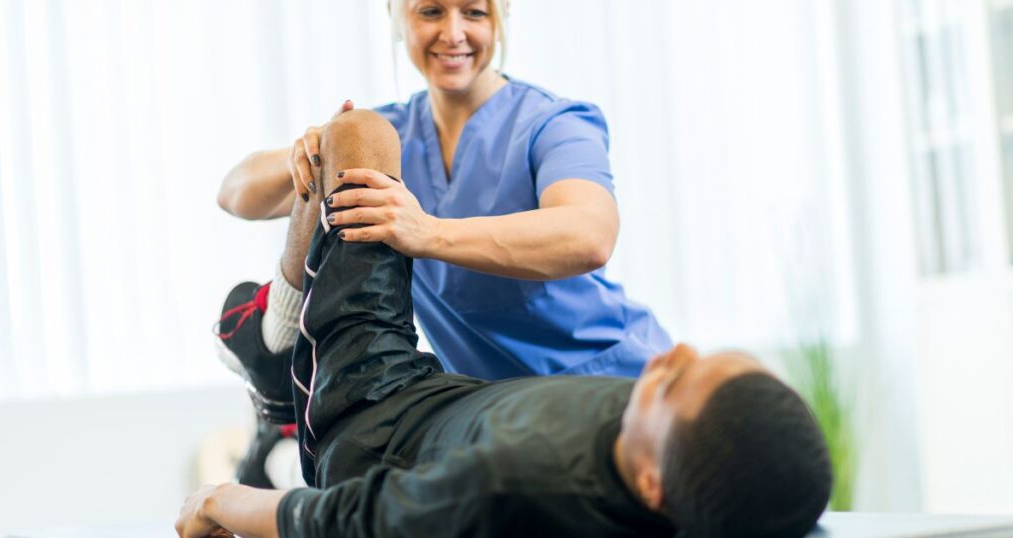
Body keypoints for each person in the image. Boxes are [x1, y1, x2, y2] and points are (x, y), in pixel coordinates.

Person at [182, 109, 833, 538]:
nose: (669, 356)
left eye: (669, 384)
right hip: (444, 393)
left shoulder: (511, 485)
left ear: (653, 486)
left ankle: (274, 350)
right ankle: (280, 353)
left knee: (362, 136)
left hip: (369, 415)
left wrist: (213, 502)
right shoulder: (718, 481)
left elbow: (329, 521)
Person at [217, 0, 670, 383]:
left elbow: (589, 237)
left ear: (500, 16)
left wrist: (427, 233)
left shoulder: (553, 123)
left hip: (615, 380)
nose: (453, 34)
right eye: (431, 11)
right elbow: (236, 194)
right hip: (495, 410)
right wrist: (304, 152)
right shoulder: (388, 137)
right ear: (398, 17)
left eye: (474, 12)